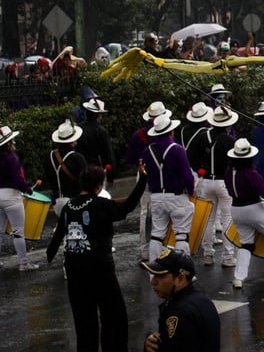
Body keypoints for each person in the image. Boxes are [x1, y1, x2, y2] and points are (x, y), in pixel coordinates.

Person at [46, 164, 147, 352]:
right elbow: (127, 206)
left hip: (75, 269)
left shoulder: (69, 206)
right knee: (113, 315)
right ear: (99, 186)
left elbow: (59, 233)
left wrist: (50, 254)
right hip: (100, 268)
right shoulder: (100, 204)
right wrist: (142, 180)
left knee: (84, 320)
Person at [224, 138, 264, 288]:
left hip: (236, 209)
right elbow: (263, 191)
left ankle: (239, 278)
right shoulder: (251, 172)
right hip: (254, 207)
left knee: (246, 244)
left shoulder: (228, 171)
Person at [141, 248, 220, 352]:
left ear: (180, 279)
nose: (153, 281)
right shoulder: (202, 300)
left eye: (160, 276)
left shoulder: (180, 313)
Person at [142, 114, 196, 261]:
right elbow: (187, 176)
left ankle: (154, 269)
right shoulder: (177, 149)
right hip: (176, 196)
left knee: (157, 234)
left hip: (156, 196)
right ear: (171, 132)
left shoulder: (147, 151)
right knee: (181, 235)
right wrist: (191, 190)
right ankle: (182, 270)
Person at [0, 126, 40, 271]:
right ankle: (24, 263)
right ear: (8, 144)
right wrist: (28, 189)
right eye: (11, 140)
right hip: (11, 197)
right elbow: (18, 179)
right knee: (18, 231)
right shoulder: (12, 159)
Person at [125, 101, 171, 261]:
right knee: (164, 212)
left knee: (145, 212)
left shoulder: (138, 135)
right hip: (163, 175)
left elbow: (130, 159)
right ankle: (163, 247)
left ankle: (145, 250)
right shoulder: (167, 133)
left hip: (143, 174)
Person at [195, 106, 237, 267]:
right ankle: (228, 256)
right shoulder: (230, 141)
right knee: (227, 219)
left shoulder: (202, 137)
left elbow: (192, 156)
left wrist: (200, 168)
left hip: (206, 181)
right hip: (224, 182)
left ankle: (207, 254)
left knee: (209, 219)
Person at [48, 119, 88, 216]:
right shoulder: (77, 157)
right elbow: (86, 179)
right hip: (74, 200)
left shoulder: (50, 156)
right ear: (72, 140)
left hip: (57, 201)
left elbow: (48, 177)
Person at [77, 96, 117, 184]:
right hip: (96, 172)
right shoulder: (101, 131)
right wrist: (110, 176)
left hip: (78, 171)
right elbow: (107, 155)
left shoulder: (77, 129)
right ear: (99, 115)